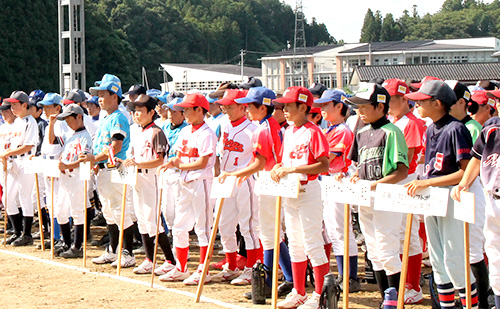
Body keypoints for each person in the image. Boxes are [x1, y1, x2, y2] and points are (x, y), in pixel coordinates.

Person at [404, 80, 478, 308]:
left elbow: (466, 172)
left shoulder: (456, 128)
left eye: (421, 102)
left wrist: (428, 183)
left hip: (451, 195)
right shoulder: (430, 127)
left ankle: (471, 305)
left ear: (437, 103)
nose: (416, 106)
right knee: (437, 260)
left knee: (455, 259)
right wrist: (425, 183)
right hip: (432, 196)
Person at [218, 86, 294, 298]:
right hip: (272, 179)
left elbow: (260, 162)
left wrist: (235, 173)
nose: (247, 109)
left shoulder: (263, 128)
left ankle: (269, 282)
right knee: (271, 234)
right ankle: (287, 278)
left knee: (268, 234)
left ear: (263, 107)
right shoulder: (269, 124)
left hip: (271, 180)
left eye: (250, 105)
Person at [345, 83, 409, 303]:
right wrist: (356, 177)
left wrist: (377, 184)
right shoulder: (361, 133)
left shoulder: (392, 132)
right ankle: (385, 299)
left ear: (381, 107)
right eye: (357, 107)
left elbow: (402, 171)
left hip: (386, 197)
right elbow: (359, 166)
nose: (359, 111)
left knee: (387, 248)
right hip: (365, 197)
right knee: (373, 251)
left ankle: (396, 299)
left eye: (364, 106)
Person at [270, 86, 330, 309]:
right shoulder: (289, 131)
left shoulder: (313, 131)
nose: (284, 110)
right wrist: (280, 166)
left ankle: (319, 293)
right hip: (290, 193)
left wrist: (292, 170)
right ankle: (299, 291)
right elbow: (287, 162)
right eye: (283, 106)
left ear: (303, 107)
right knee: (294, 243)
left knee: (312, 242)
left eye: (289, 106)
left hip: (308, 191)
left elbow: (324, 164)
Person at [156, 93, 217, 284]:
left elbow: (202, 162)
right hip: (185, 183)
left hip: (202, 182)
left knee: (202, 228)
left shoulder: (207, 133)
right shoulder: (185, 132)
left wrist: (179, 165)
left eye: (188, 109)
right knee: (179, 227)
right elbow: (179, 156)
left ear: (199, 110)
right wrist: (172, 163)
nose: (184, 112)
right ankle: (181, 267)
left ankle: (203, 269)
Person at [80, 73, 136, 268]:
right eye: (99, 94)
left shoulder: (119, 116)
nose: (99, 99)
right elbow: (102, 144)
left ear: (115, 96)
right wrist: (96, 161)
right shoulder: (106, 117)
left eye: (103, 94)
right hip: (104, 169)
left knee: (121, 209)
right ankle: (113, 249)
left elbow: (116, 146)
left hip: (117, 167)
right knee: (108, 210)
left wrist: (95, 158)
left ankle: (127, 252)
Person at [207, 89, 260, 286]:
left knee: (248, 225)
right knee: (224, 224)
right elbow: (221, 154)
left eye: (230, 106)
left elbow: (258, 158)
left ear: (242, 106)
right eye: (224, 105)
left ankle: (252, 268)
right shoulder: (225, 125)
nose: (226, 109)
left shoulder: (253, 129)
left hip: (246, 180)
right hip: (226, 178)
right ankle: (231, 264)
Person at [451, 103, 500, 309]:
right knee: (495, 257)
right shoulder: (491, 128)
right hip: (493, 199)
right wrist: (464, 183)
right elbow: (476, 158)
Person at [121, 94, 176, 274]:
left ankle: (170, 259)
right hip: (136, 177)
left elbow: (159, 160)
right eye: (134, 111)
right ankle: (149, 258)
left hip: (151, 178)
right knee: (142, 220)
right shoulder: (138, 131)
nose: (136, 114)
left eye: (140, 111)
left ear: (151, 112)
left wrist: (138, 164)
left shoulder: (157, 132)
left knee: (153, 221)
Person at [446, 80, 490, 309]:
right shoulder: (450, 126)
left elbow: (473, 166)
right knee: (461, 249)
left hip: (473, 190)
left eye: (449, 100)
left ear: (462, 102)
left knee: (472, 249)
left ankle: (482, 301)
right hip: (460, 191)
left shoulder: (472, 127)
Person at [313, 89, 360, 293]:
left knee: (340, 230)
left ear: (340, 106)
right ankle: (345, 275)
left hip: (340, 179)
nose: (322, 109)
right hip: (330, 181)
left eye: (326, 105)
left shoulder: (342, 130)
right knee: (333, 230)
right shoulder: (330, 129)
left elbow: (328, 160)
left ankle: (349, 276)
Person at [383, 79, 425, 304]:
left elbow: (408, 159)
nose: (388, 104)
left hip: (407, 180)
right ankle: (402, 283)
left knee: (408, 234)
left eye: (391, 99)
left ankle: (413, 285)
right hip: (393, 182)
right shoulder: (393, 121)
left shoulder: (411, 122)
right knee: (397, 234)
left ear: (404, 99)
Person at [47, 104, 93, 258]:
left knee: (77, 211)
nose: (66, 122)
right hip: (65, 176)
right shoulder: (68, 134)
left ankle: (77, 246)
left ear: (79, 117)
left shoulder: (86, 136)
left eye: (69, 118)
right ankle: (67, 243)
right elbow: (51, 140)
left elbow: (84, 161)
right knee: (60, 210)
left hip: (78, 175)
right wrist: (52, 124)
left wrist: (67, 165)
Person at [0, 91, 39, 246]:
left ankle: (27, 233)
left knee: (25, 197)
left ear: (24, 105)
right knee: (7, 198)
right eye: (12, 105)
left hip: (25, 161)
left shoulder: (30, 121)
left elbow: (28, 145)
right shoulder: (16, 122)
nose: (13, 108)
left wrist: (8, 153)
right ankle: (16, 231)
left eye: (15, 104)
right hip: (13, 162)